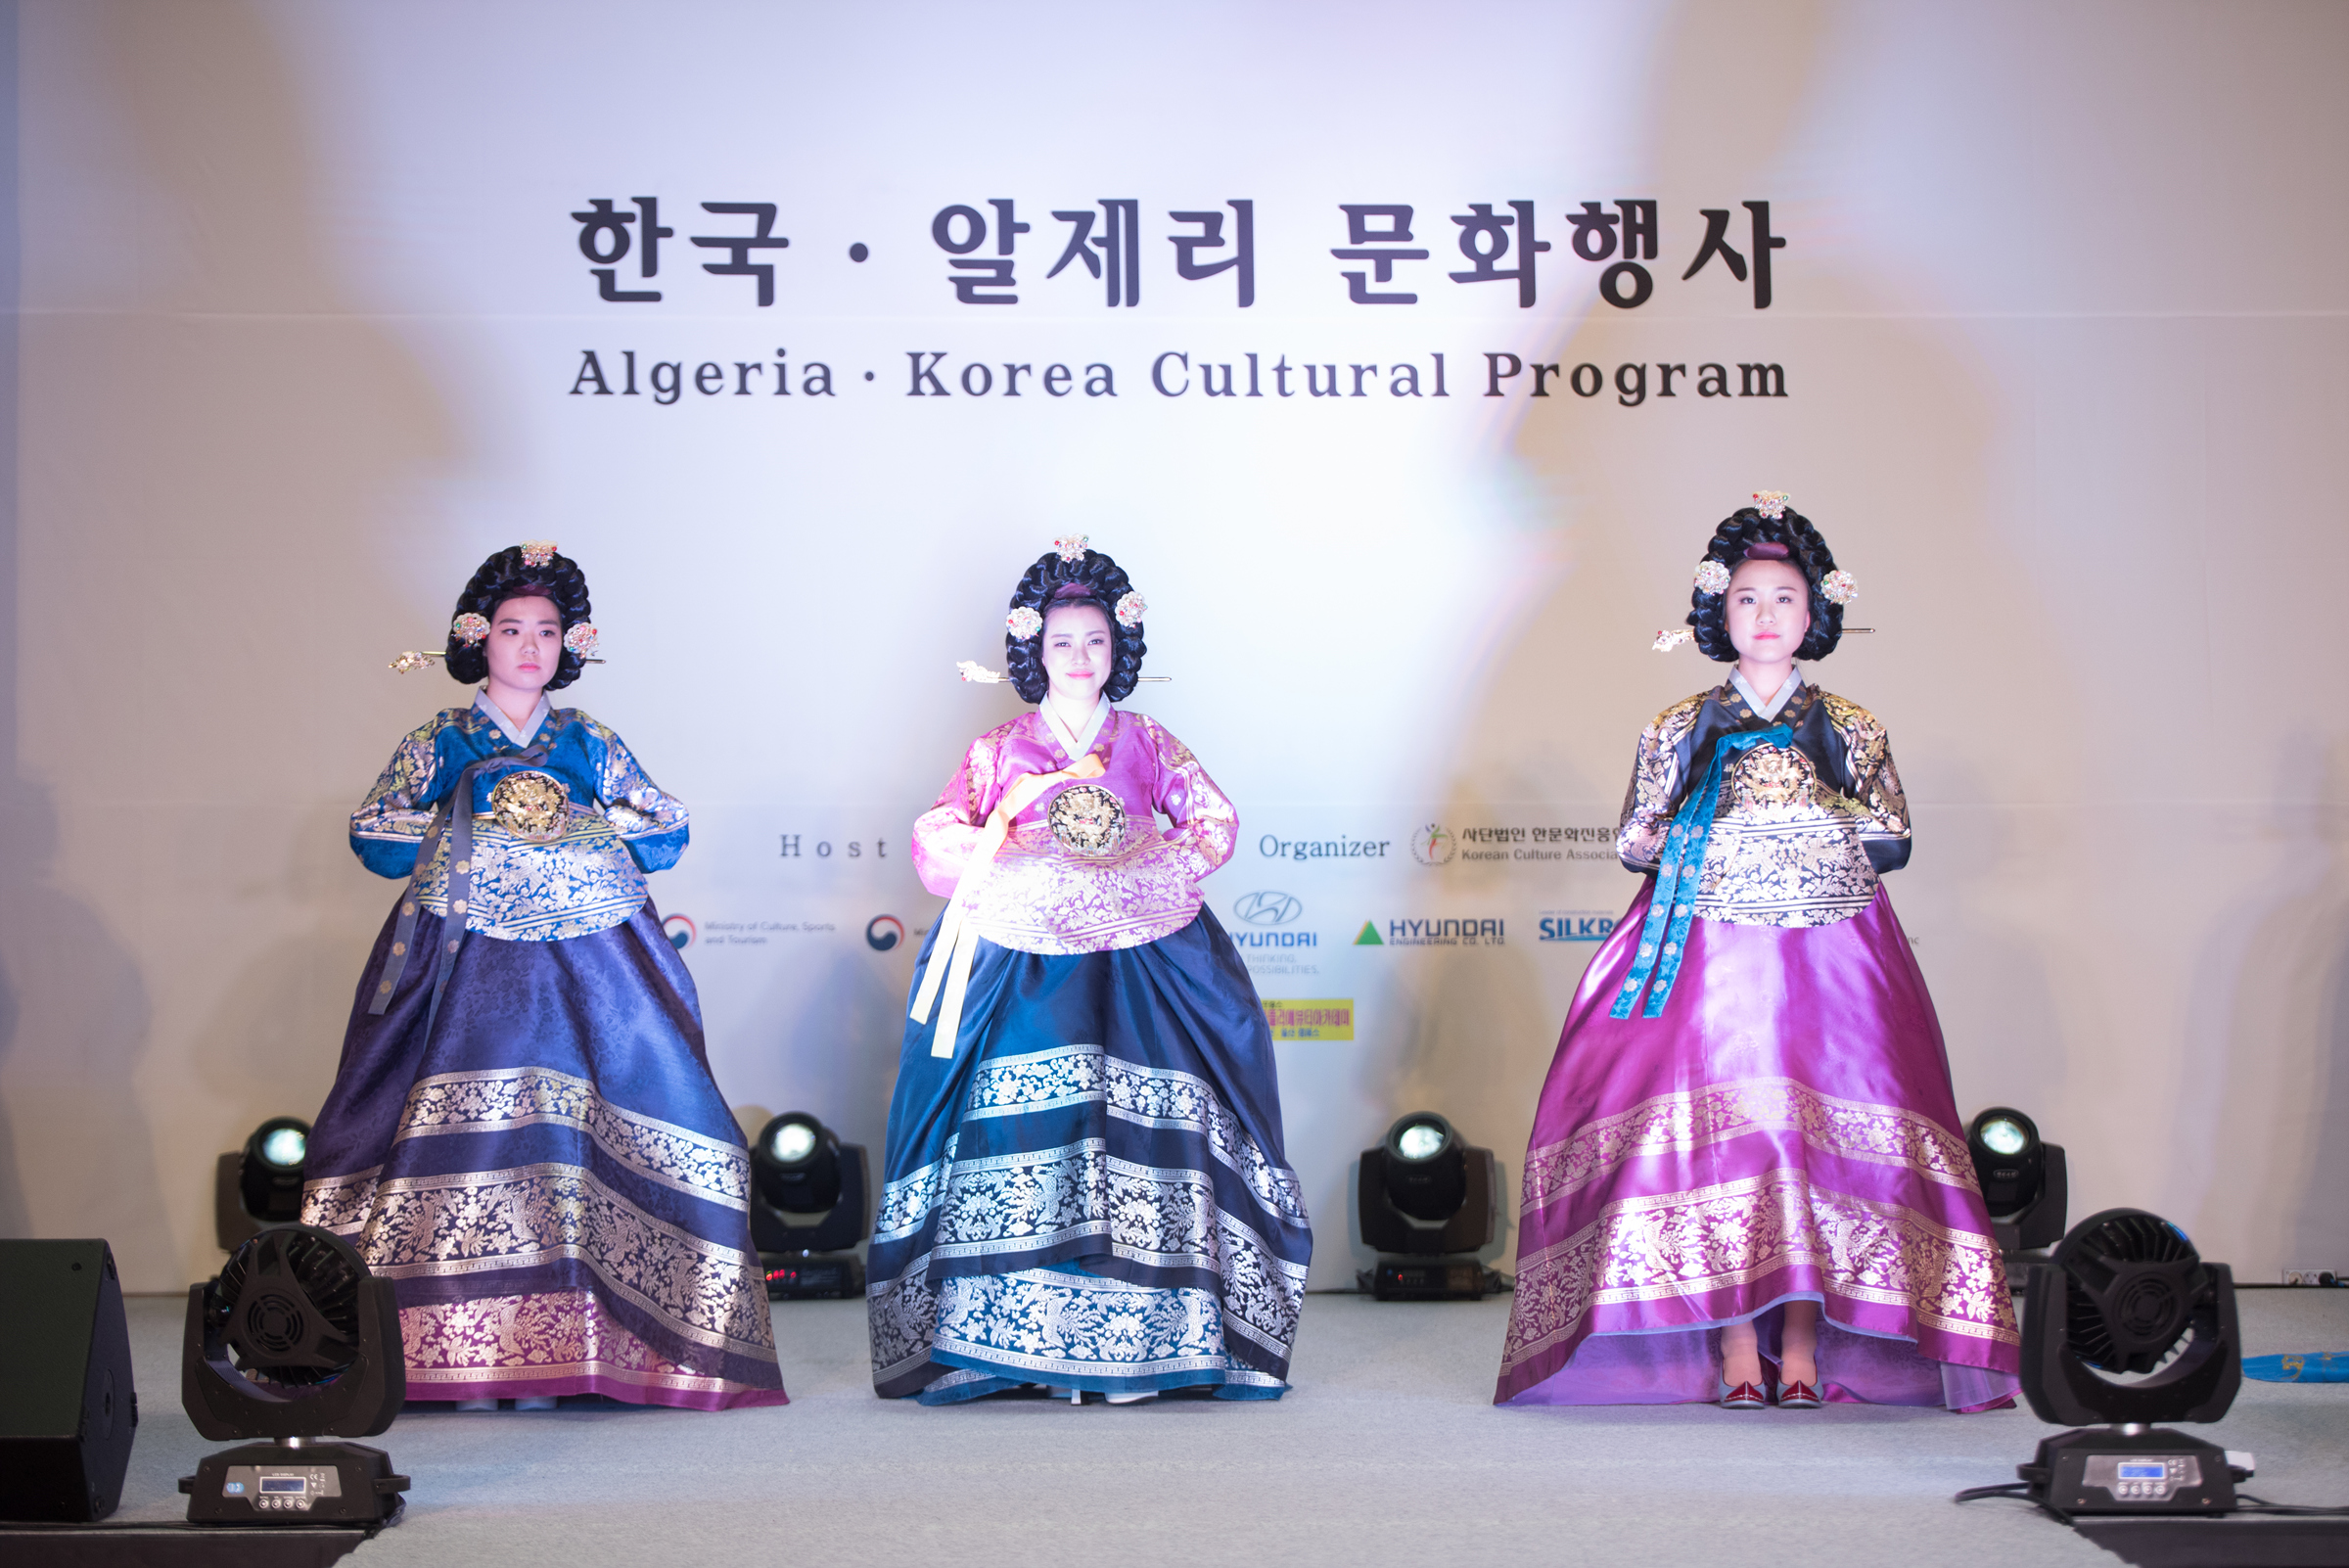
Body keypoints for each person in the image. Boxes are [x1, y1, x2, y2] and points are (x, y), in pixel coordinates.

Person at [1495, 495, 2020, 1412]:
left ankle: (1806, 1338)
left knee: (1812, 1138)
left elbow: (1892, 834)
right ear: (1718, 611)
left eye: (1785, 598)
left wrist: (1804, 812)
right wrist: (1717, 829)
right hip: (1710, 950)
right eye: (1746, 599)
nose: (1766, 615)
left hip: (1832, 951)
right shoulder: (1679, 725)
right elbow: (1635, 837)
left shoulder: (1851, 726)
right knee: (1731, 1136)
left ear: (1814, 614)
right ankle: (1739, 1340)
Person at [301, 542, 787, 1411]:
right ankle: (456, 1349)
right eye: (512, 629)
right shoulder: (443, 739)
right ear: (477, 639)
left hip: (589, 956)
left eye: (548, 631)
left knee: (588, 1127)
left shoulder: (586, 740)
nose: (530, 646)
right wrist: (467, 834)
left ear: (571, 644)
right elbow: (375, 830)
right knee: (470, 1128)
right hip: (467, 957)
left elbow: (664, 827)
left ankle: (579, 1347)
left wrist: (581, 833)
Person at [868, 536, 1312, 1405]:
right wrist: (1011, 861)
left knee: (1151, 1128)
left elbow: (1213, 824)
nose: (1079, 657)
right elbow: (939, 831)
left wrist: (1146, 867)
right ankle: (1011, 1345)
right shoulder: (999, 748)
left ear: (1120, 648)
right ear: (1035, 651)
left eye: (1096, 641)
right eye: (1063, 641)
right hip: (1022, 957)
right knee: (1016, 1126)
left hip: (1144, 958)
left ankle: (1150, 1345)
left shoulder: (1148, 743)